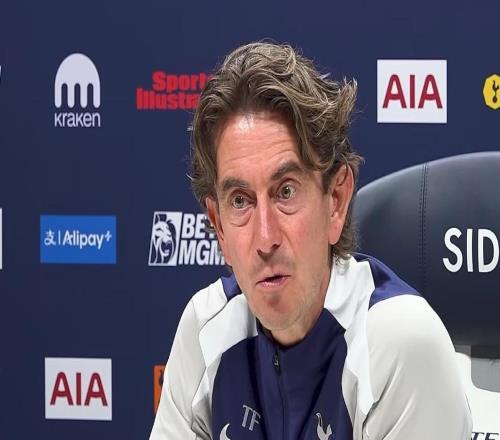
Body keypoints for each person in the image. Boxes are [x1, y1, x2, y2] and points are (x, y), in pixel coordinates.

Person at [150, 42, 472, 440]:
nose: (265, 238)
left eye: (285, 192)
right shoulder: (205, 330)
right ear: (218, 227)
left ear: (335, 200)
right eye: (240, 201)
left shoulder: (399, 344)